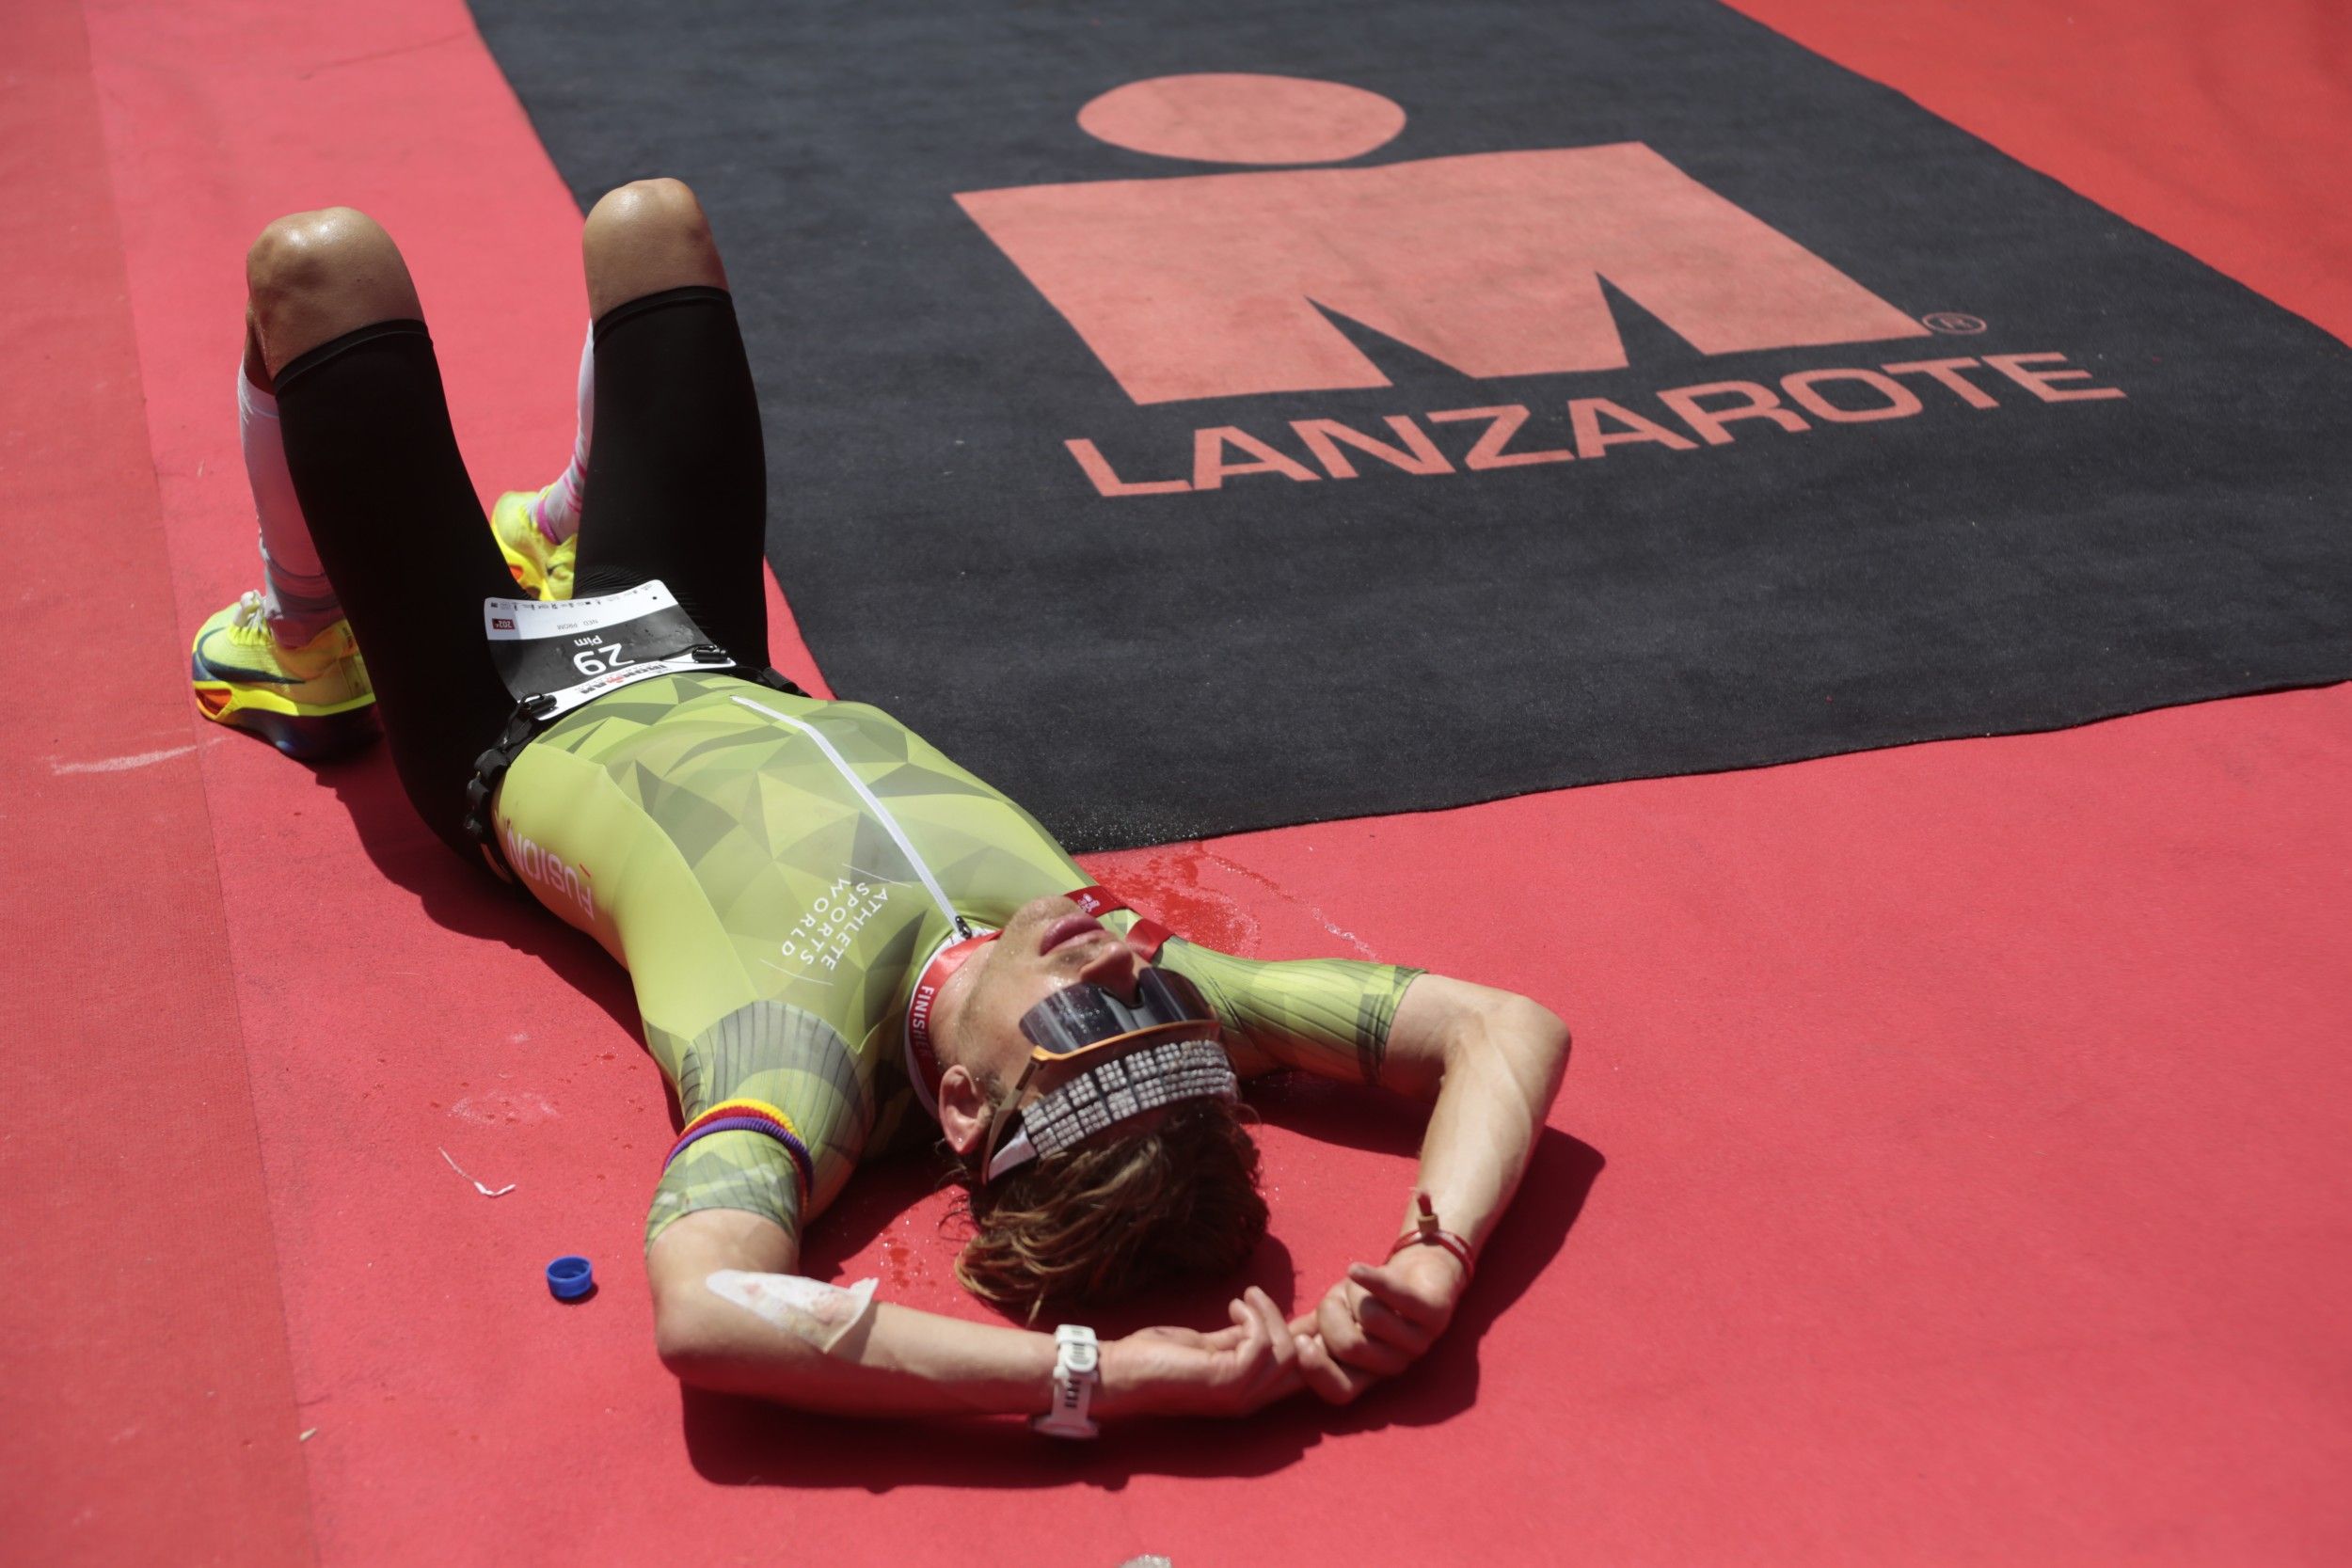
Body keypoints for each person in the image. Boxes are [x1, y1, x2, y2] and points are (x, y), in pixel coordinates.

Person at [189, 178, 1570, 1432]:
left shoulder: (790, 1065)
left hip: (498, 717)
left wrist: (1108, 1381)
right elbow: (1509, 1025)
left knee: (313, 261)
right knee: (654, 221)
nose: (1128, 959)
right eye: (1164, 1002)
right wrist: (1432, 1260)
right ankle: (570, 524)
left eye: (1098, 1020)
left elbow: (709, 1310)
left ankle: (307, 627)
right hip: (707, 651)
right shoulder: (1116, 966)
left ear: (964, 1106)